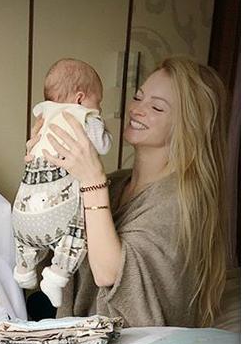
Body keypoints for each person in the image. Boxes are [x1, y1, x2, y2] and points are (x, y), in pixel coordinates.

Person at [25, 56, 227, 328]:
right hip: (74, 322)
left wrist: (92, 180)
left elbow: (108, 273)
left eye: (156, 107)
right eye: (138, 97)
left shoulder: (179, 203)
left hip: (130, 342)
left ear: (189, 125)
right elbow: (52, 245)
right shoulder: (117, 183)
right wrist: (44, 171)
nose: (136, 109)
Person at [12, 59, 111, 307]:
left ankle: (24, 269)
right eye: (97, 102)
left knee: (26, 236)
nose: (98, 108)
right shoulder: (82, 116)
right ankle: (56, 277)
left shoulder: (43, 114)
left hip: (25, 205)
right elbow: (103, 145)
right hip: (57, 207)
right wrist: (98, 122)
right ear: (80, 98)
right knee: (80, 230)